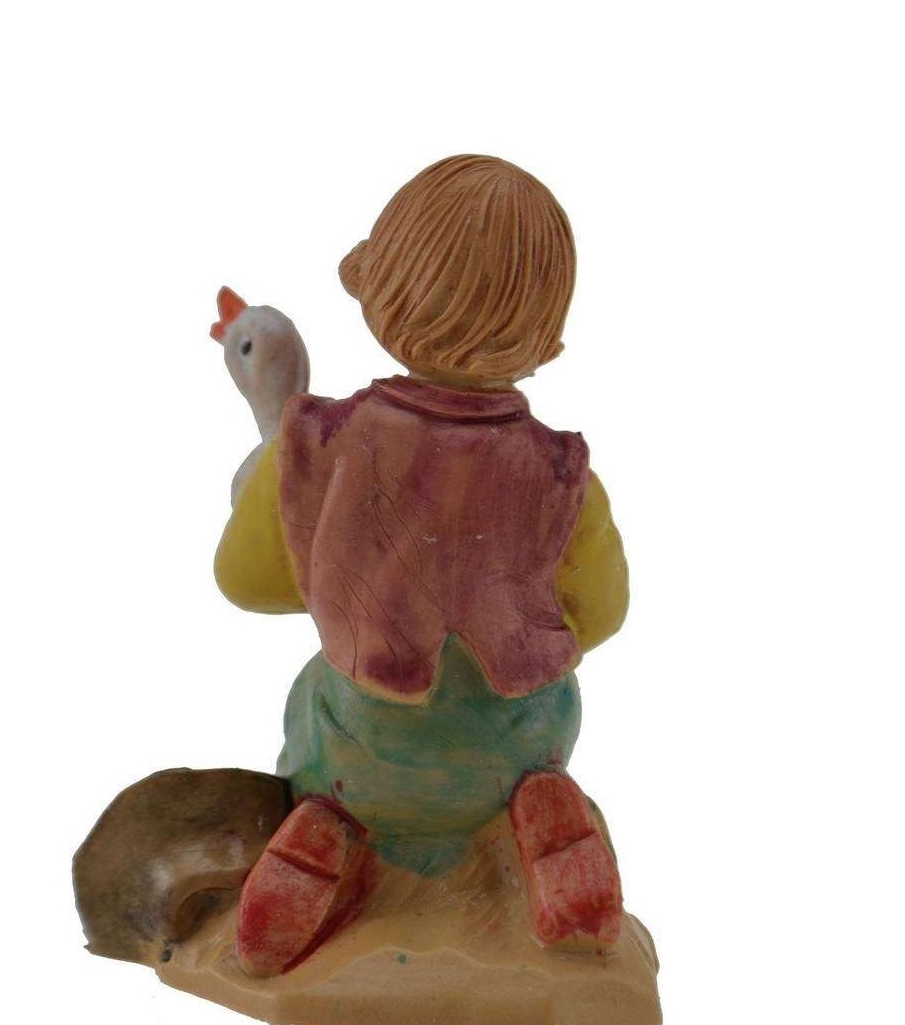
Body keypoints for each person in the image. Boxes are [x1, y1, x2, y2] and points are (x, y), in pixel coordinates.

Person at [214, 155, 630, 977]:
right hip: (516, 739)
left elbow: (245, 582)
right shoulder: (564, 475)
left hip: (368, 745)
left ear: (370, 286)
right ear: (547, 337)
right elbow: (601, 616)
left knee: (319, 702)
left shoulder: (315, 447)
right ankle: (539, 800)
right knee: (546, 701)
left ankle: (326, 823)